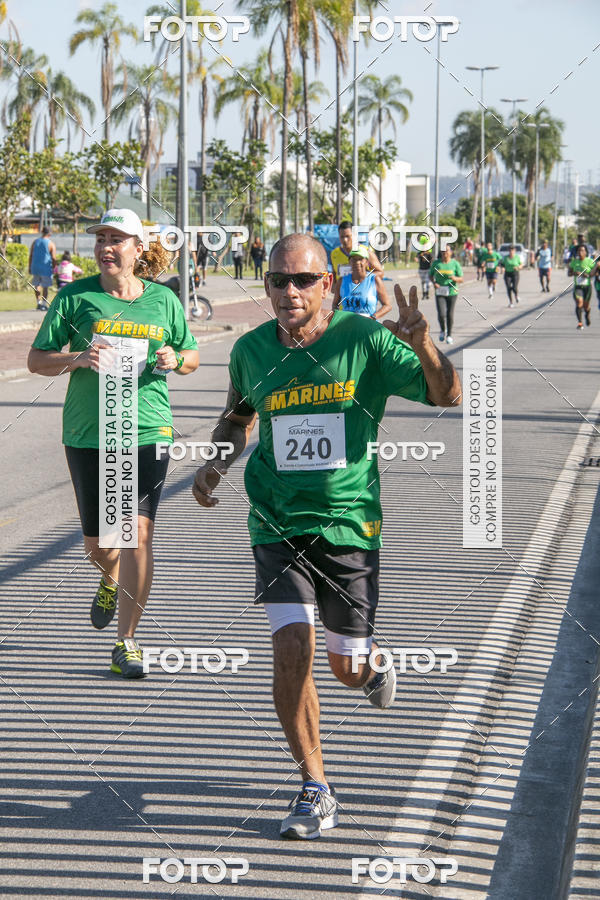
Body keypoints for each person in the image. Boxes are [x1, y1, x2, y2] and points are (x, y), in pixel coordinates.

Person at [192, 232, 461, 840]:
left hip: (347, 524)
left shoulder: (362, 339)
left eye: (302, 280)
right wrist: (216, 463)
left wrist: (424, 345)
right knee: (292, 648)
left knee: (343, 667)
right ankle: (315, 785)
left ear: (328, 286)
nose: (288, 291)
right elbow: (237, 417)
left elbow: (449, 394)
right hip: (275, 519)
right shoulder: (251, 349)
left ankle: (370, 666)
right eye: (277, 280)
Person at [27, 209, 199, 678]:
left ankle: (127, 642)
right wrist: (80, 357)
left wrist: (174, 357)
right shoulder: (74, 296)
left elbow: (192, 355)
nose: (106, 245)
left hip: (146, 428)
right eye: (101, 237)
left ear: (138, 249)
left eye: (117, 238)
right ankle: (109, 576)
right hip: (90, 431)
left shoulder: (163, 300)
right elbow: (36, 360)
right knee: (100, 544)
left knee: (138, 532)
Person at [332, 246, 391, 319]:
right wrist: (338, 318)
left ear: (367, 262)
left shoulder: (374, 280)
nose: (357, 262)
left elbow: (387, 306)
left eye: (360, 259)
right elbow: (335, 305)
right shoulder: (342, 281)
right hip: (347, 326)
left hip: (369, 326)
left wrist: (372, 317)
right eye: (353, 259)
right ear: (349, 262)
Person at [330, 220, 383, 287]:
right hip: (343, 295)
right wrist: (334, 286)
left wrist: (362, 278)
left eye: (347, 236)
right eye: (342, 237)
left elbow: (380, 272)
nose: (345, 240)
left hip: (362, 293)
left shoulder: (366, 252)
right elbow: (334, 273)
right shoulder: (334, 253)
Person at [429, 247, 463, 344]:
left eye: (447, 251)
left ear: (451, 252)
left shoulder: (455, 264)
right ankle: (442, 330)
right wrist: (434, 282)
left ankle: (449, 335)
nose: (445, 253)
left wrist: (455, 278)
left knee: (449, 314)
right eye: (443, 251)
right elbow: (430, 275)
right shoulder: (436, 264)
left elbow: (461, 278)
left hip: (452, 292)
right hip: (440, 291)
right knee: (441, 314)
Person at [29, 226, 57, 311]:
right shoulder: (51, 244)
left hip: (35, 266)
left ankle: (38, 302)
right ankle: (44, 304)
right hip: (46, 267)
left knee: (37, 285)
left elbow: (31, 255)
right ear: (50, 233)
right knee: (45, 286)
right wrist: (55, 268)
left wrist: (29, 266)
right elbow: (53, 257)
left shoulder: (35, 242)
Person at [568, 244, 595, 329]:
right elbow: (569, 273)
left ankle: (587, 315)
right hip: (578, 287)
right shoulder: (574, 262)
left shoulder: (590, 261)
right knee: (579, 303)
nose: (580, 252)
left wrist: (588, 275)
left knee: (586, 306)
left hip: (587, 287)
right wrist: (574, 273)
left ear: (586, 252)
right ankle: (580, 323)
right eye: (579, 251)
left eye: (582, 250)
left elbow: (595, 272)